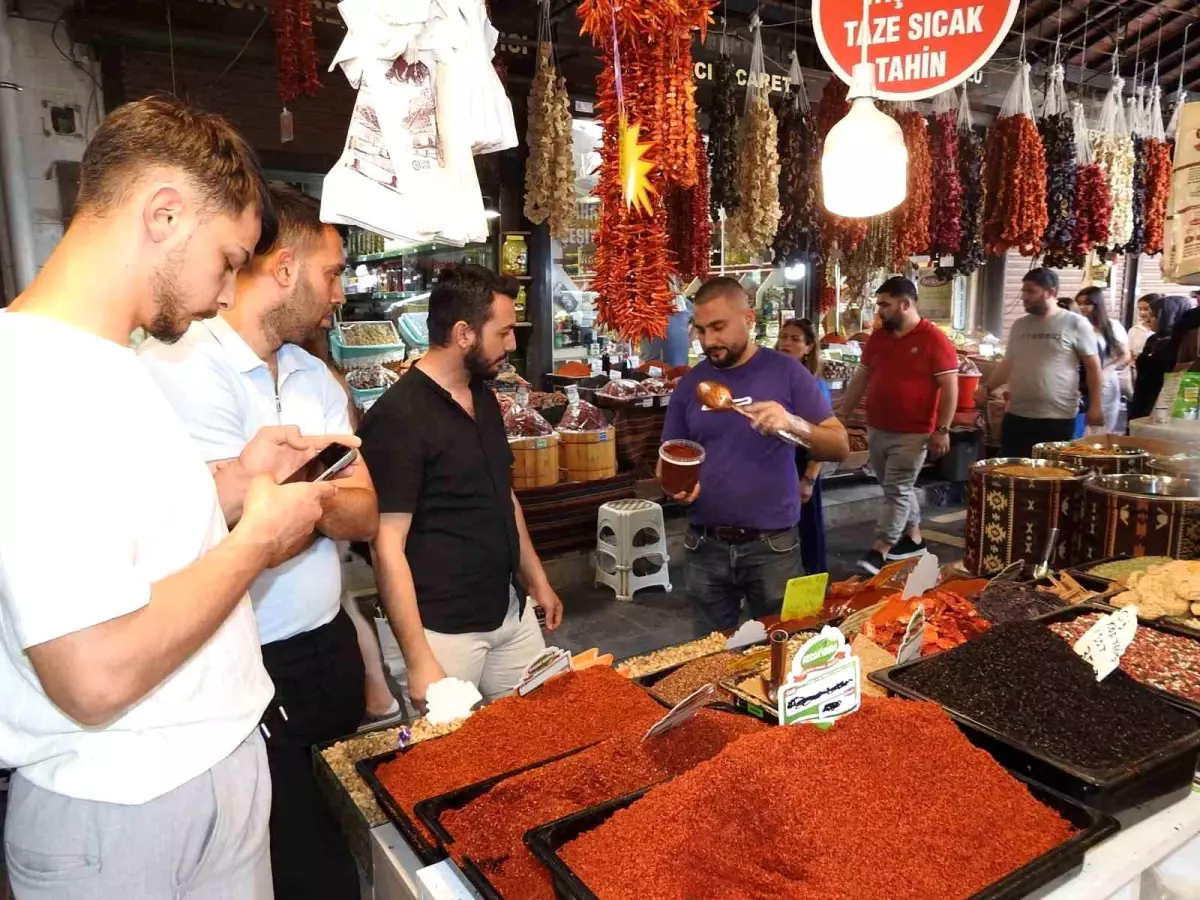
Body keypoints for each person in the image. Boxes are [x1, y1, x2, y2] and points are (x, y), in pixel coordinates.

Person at [0, 98, 350, 899]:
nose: (227, 294)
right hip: (123, 806)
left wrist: (231, 479)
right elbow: (92, 671)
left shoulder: (107, 360)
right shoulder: (33, 379)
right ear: (164, 215)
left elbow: (121, 531)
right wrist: (256, 542)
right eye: (228, 260)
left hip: (202, 767)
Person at [140, 186, 382, 900]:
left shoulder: (314, 375)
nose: (339, 293)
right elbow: (239, 533)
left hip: (327, 641)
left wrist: (293, 500)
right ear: (283, 270)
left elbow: (367, 516)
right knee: (288, 859)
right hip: (249, 658)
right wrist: (311, 495)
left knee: (346, 826)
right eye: (332, 274)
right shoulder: (185, 369)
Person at [359, 265, 563, 709]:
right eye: (504, 332)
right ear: (464, 333)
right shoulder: (398, 418)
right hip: (442, 632)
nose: (512, 345)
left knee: (540, 731)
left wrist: (536, 580)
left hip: (509, 612)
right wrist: (418, 659)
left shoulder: (484, 396)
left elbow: (502, 497)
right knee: (450, 765)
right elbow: (385, 546)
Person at [659, 277, 849, 631]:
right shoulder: (691, 385)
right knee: (710, 658)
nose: (708, 341)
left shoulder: (787, 372)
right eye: (700, 330)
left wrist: (792, 423)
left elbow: (839, 445)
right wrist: (674, 484)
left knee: (787, 647)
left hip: (772, 547)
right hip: (705, 546)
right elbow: (669, 455)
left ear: (748, 319)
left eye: (718, 327)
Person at [837, 276, 959, 575]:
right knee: (894, 487)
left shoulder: (934, 340)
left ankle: (881, 548)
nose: (879, 311)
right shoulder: (879, 337)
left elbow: (951, 387)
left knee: (897, 488)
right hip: (877, 427)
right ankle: (914, 538)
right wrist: (842, 414)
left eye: (884, 305)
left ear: (905, 304)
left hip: (914, 431)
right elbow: (861, 378)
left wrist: (942, 430)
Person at [978, 268, 1102, 458]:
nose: (1024, 297)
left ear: (1051, 292)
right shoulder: (1020, 325)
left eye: (1031, 291)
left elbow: (1093, 367)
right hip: (1017, 414)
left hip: (1057, 416)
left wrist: (1095, 407)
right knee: (1012, 471)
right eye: (1023, 291)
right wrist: (987, 387)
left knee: (1051, 475)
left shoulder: (1075, 323)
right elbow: (1008, 363)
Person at [777, 318, 831, 575]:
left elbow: (823, 436)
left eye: (795, 339)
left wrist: (809, 478)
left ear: (809, 347)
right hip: (778, 461)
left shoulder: (814, 385)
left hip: (803, 461)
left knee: (808, 530)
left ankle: (811, 594)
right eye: (784, 337)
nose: (786, 343)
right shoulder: (773, 378)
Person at [1075, 287, 1130, 434]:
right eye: (1079, 303)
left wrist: (1106, 370)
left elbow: (1125, 355)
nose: (1082, 307)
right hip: (1080, 382)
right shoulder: (1078, 325)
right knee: (1081, 429)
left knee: (1102, 428)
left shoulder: (1112, 326)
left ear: (1097, 304)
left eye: (1087, 303)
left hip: (1106, 381)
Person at [1130, 295, 1194, 421]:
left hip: (1165, 405)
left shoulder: (1182, 344)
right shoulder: (1153, 340)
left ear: (1169, 317)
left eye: (1154, 316)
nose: (1148, 319)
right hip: (1142, 400)